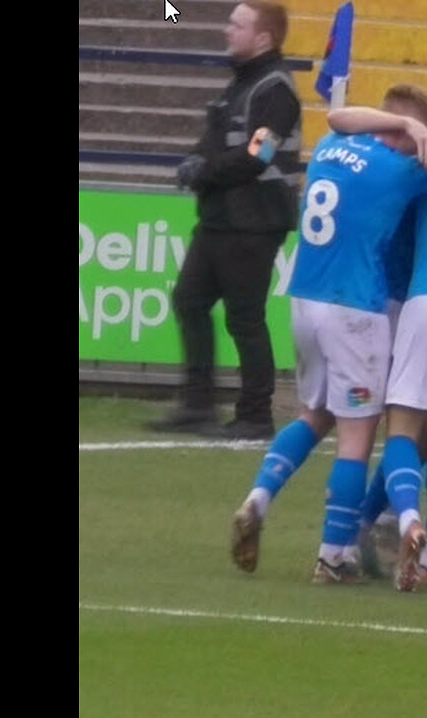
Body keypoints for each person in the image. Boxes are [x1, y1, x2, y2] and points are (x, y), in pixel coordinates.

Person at [227, 85, 427, 581]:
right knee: (358, 436)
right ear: (403, 130)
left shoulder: (334, 146)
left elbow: (339, 117)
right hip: (356, 307)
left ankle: (258, 498)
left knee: (315, 414)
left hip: (304, 297)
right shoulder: (402, 170)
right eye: (421, 134)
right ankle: (335, 553)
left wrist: (401, 125)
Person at [149, 1, 302, 440]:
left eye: (237, 24)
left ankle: (255, 414)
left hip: (254, 219)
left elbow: (260, 154)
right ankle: (197, 405)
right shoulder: (240, 84)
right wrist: (195, 158)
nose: (226, 30)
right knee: (189, 301)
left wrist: (204, 171)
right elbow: (215, 139)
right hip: (222, 216)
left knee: (244, 317)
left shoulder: (275, 88)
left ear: (264, 38)